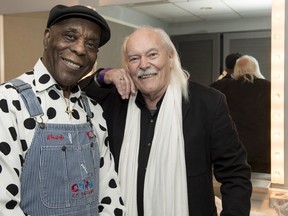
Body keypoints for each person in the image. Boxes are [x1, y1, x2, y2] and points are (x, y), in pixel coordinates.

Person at [81, 26, 252, 216]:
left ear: (170, 57)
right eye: (134, 58)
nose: (144, 64)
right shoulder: (116, 102)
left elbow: (235, 174)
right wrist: (105, 75)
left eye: (152, 54)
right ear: (126, 66)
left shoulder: (208, 103)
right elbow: (78, 94)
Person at [0, 4, 126, 216]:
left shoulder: (93, 111)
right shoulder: (9, 102)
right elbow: (4, 206)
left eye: (91, 44)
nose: (80, 49)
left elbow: (110, 194)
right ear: (47, 37)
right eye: (69, 36)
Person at [210, 55, 271, 173]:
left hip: (232, 152)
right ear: (256, 68)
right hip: (262, 153)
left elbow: (211, 89)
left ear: (235, 70)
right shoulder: (270, 88)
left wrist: (226, 74)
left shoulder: (222, 87)